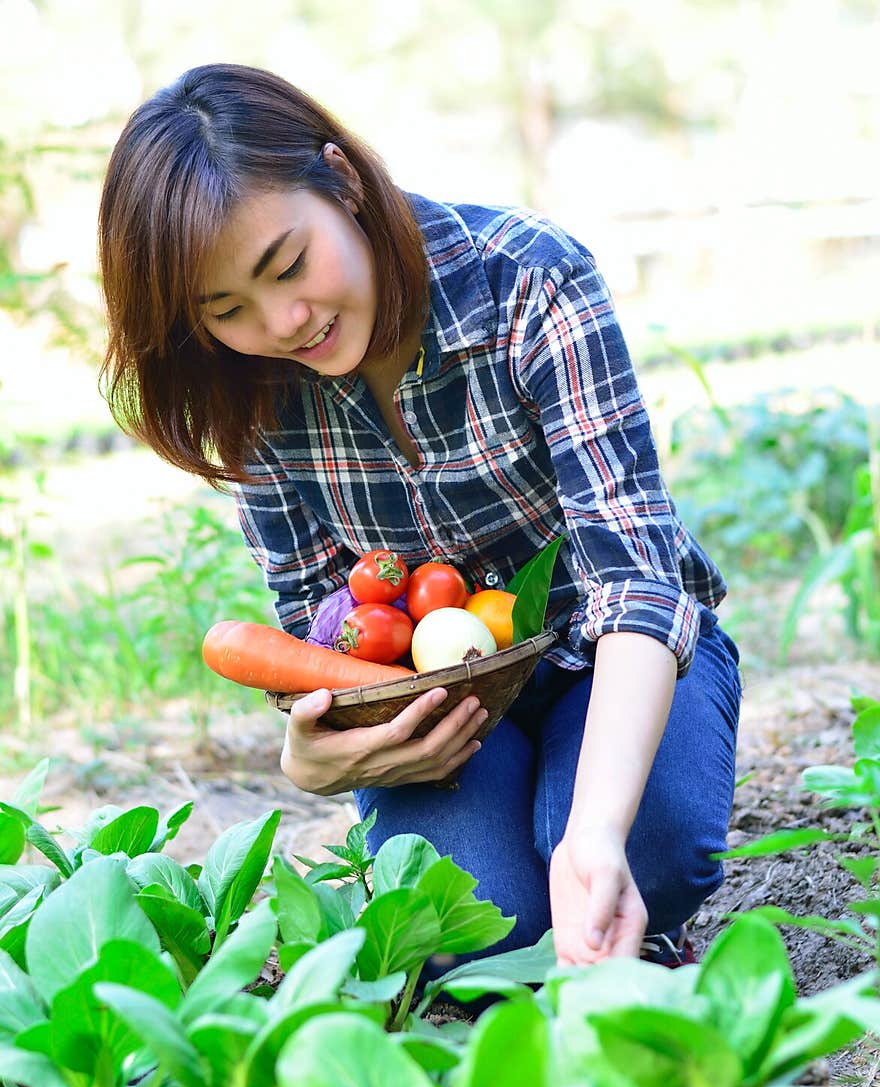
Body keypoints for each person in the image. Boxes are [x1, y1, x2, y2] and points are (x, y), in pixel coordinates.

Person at [98, 63, 742, 973]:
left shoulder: (527, 280)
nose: (285, 321)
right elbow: (317, 627)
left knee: (633, 855)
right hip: (437, 711)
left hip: (611, 657)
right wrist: (311, 760)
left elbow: (634, 578)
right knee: (479, 934)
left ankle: (607, 851)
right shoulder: (242, 388)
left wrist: (593, 830)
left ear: (343, 180)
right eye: (228, 309)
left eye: (287, 264)